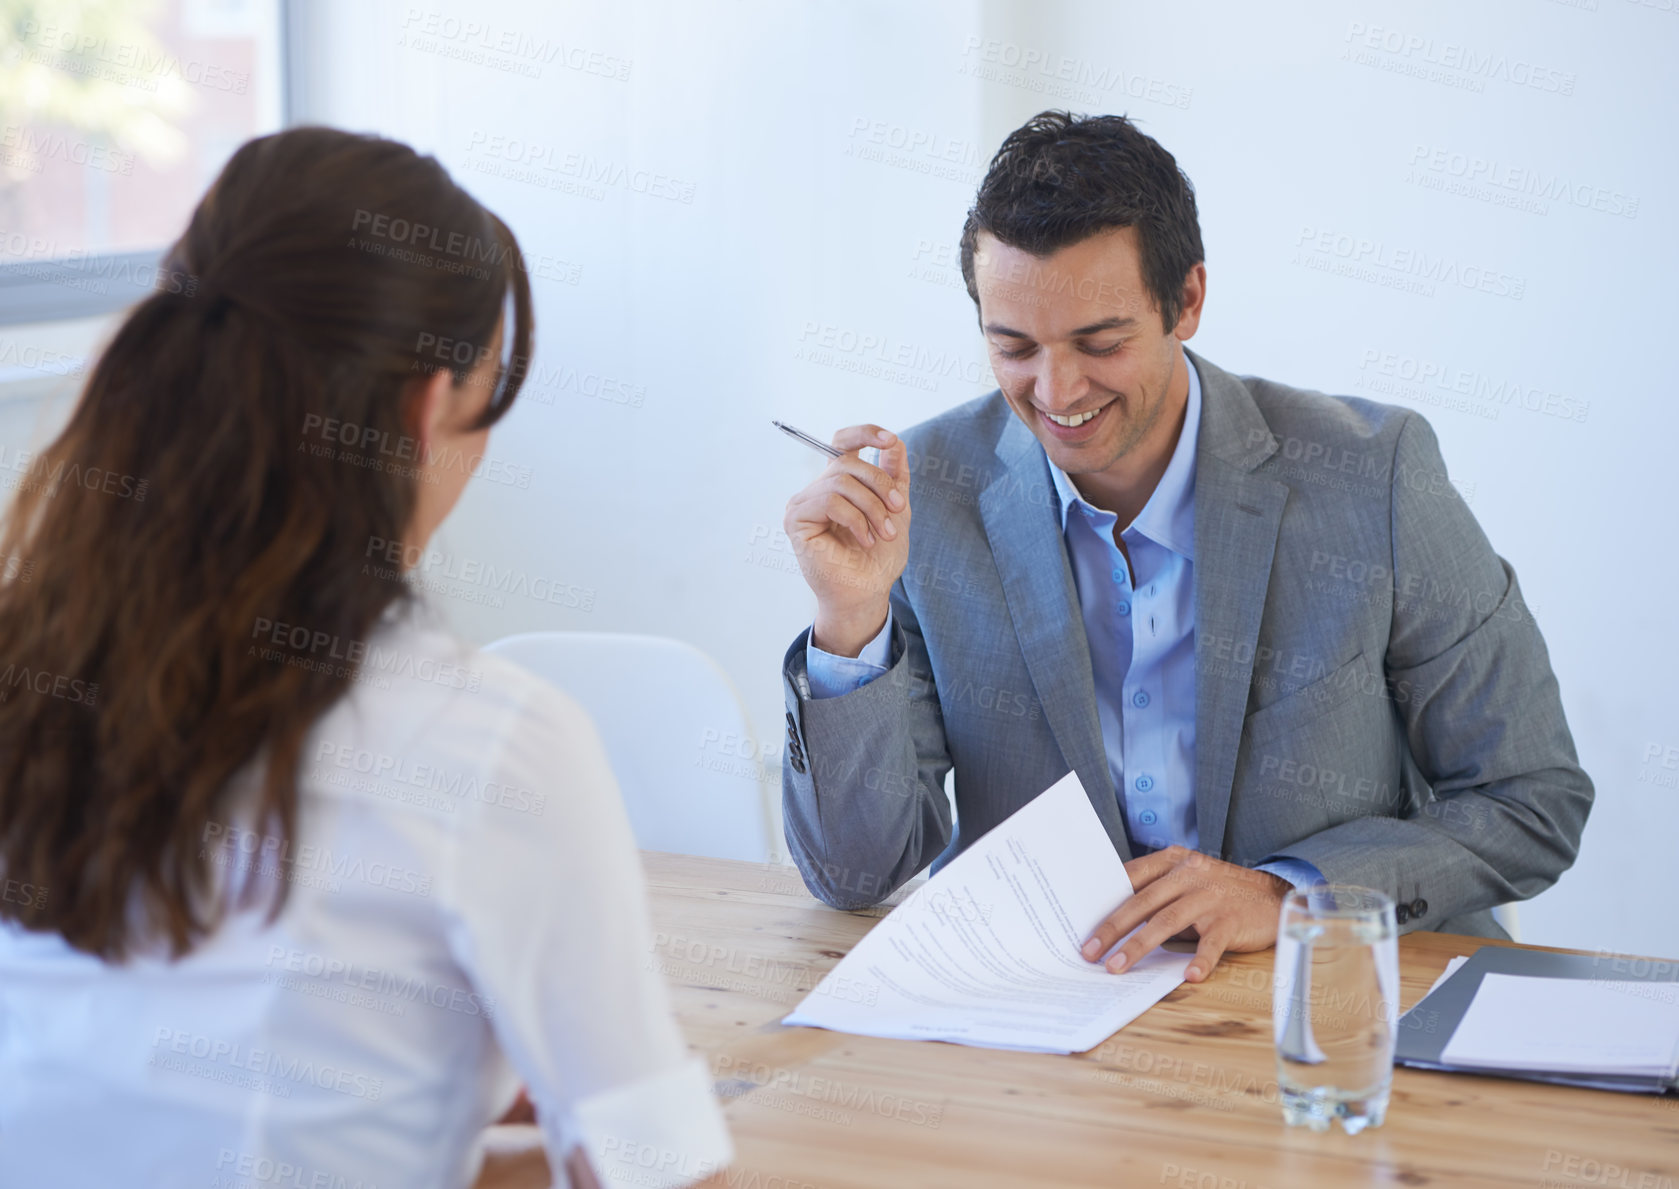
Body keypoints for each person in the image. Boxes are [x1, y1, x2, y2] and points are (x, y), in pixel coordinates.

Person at [0, 127, 730, 1189]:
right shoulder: (494, 745)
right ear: (423, 408)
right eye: (488, 403)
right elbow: (658, 1172)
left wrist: (409, 1120)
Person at [778, 110, 1593, 983]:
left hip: (1332, 1006)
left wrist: (1288, 895)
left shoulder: (1372, 475)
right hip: (1058, 1032)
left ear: (1188, 301)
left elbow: (1528, 798)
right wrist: (849, 619)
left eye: (1101, 342)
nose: (1055, 391)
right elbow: (853, 877)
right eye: (1012, 346)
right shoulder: (928, 494)